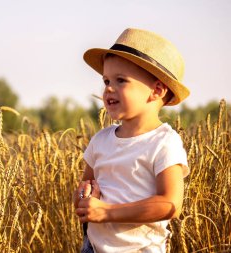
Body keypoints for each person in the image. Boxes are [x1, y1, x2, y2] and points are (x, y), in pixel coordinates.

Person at [73, 28, 190, 252]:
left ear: (156, 90)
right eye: (106, 80)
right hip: (94, 247)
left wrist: (106, 212)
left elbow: (170, 204)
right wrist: (84, 198)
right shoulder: (100, 140)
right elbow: (83, 191)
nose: (108, 88)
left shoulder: (164, 143)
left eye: (120, 80)